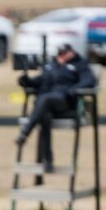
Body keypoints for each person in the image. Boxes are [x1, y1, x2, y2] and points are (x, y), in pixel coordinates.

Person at [14, 43, 97, 172]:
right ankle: (48, 161)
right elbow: (39, 81)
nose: (62, 56)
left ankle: (25, 132)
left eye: (65, 53)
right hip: (45, 105)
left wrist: (72, 90)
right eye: (60, 54)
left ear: (72, 53)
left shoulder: (80, 65)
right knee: (44, 115)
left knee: (44, 99)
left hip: (65, 103)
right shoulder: (50, 66)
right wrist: (25, 81)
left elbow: (89, 81)